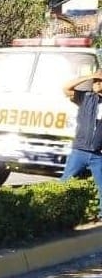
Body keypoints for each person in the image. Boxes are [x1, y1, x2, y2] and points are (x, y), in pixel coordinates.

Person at [60, 70, 102, 215]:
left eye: (99, 81)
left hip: (98, 155)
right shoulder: (85, 98)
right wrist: (90, 76)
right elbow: (66, 88)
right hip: (79, 151)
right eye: (95, 81)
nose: (96, 83)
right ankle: (58, 211)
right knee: (65, 182)